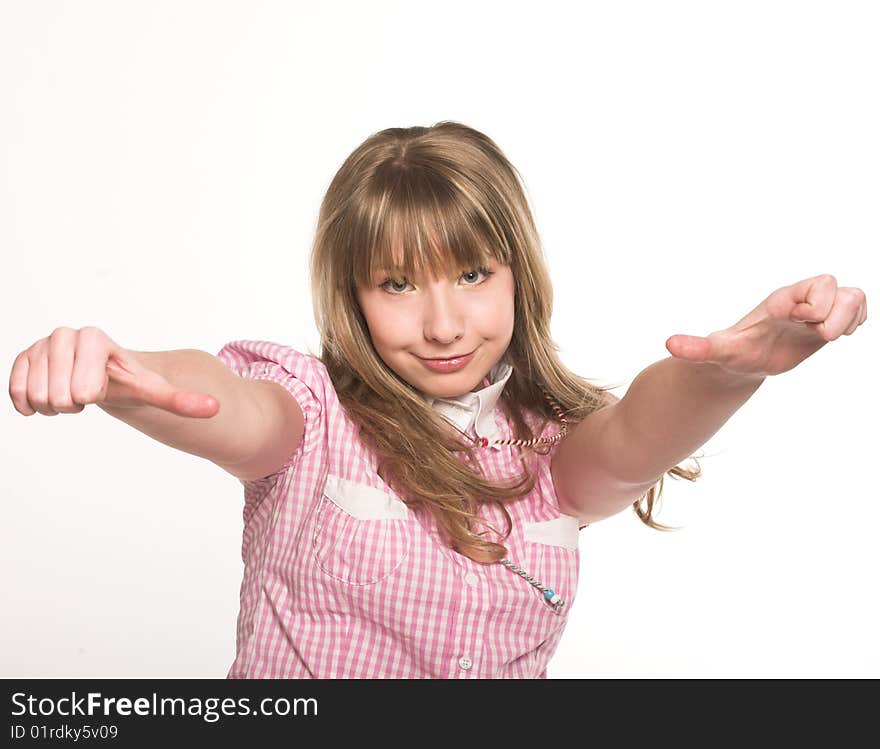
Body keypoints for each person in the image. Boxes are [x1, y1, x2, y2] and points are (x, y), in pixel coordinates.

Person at [9, 121, 867, 679]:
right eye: (396, 283)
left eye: (471, 273)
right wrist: (121, 375)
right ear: (352, 295)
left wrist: (733, 368)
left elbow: (640, 429)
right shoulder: (315, 417)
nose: (444, 321)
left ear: (517, 275)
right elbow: (231, 402)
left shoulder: (549, 452)